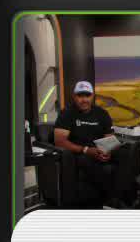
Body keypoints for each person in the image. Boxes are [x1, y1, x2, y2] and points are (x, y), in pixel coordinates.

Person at [51, 80, 135, 208]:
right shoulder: (66, 114)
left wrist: (108, 151)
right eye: (80, 95)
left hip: (99, 149)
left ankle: (120, 198)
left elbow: (109, 138)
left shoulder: (102, 113)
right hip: (79, 153)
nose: (84, 100)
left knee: (125, 153)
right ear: (74, 96)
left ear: (93, 96)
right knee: (87, 161)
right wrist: (86, 150)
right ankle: (109, 198)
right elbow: (60, 141)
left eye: (87, 95)